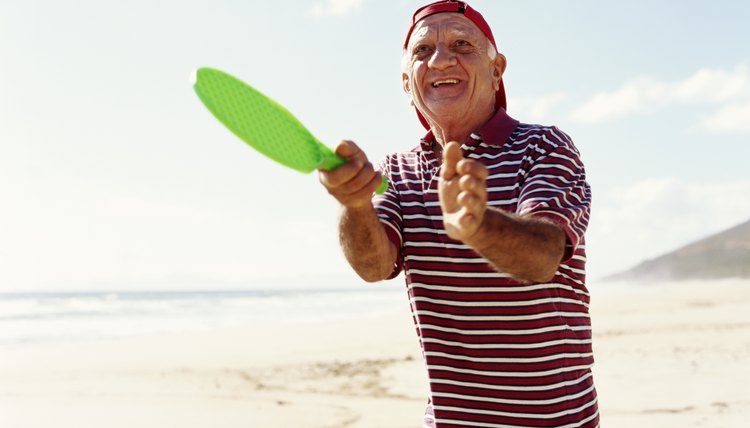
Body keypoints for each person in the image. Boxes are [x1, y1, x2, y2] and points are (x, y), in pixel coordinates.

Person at [318, 1, 598, 426]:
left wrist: (479, 225)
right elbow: (375, 266)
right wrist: (354, 205)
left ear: (497, 69)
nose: (441, 59)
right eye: (422, 50)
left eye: (461, 45)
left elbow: (543, 259)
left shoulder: (545, 147)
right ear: (407, 84)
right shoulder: (396, 170)